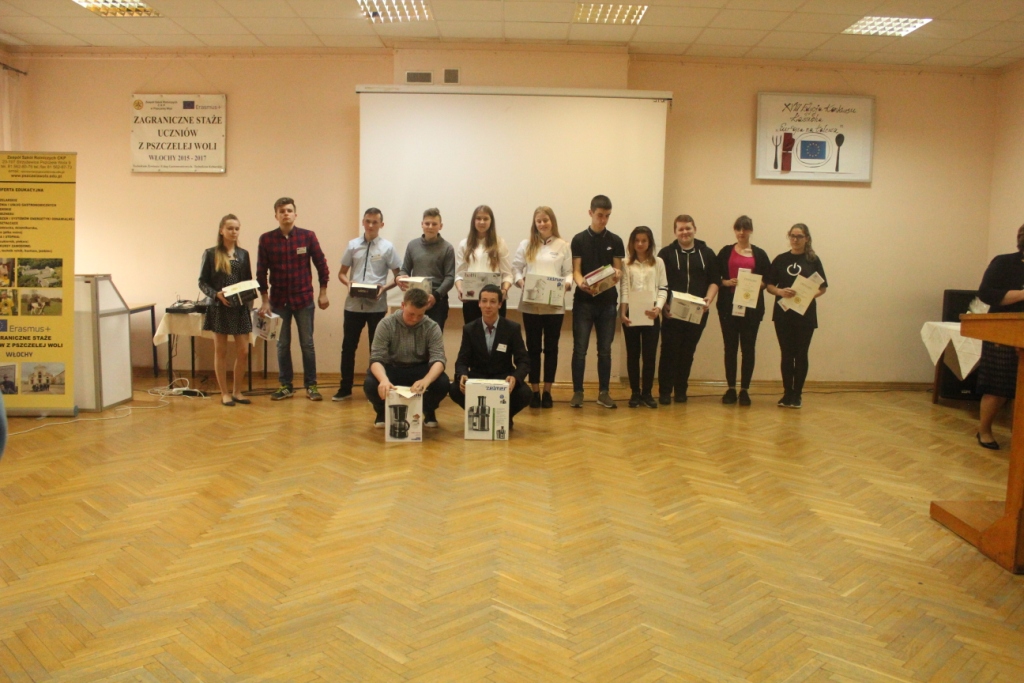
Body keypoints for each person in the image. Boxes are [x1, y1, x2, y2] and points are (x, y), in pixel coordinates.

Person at [256, 197, 330, 401]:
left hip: (304, 300)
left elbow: (321, 265)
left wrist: (323, 292)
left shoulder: (307, 236)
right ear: (276, 216)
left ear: (295, 214)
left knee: (307, 344)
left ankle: (311, 385)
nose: (286, 214)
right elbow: (261, 272)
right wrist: (264, 300)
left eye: (289, 210)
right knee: (282, 345)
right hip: (278, 302)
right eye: (282, 211)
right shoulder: (266, 239)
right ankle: (285, 385)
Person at [334, 207, 402, 401]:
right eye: (368, 221)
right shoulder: (353, 245)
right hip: (353, 306)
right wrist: (348, 284)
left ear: (381, 224)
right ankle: (345, 388)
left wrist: (384, 288)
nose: (371, 225)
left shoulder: (387, 247)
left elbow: (399, 276)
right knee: (348, 347)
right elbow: (341, 273)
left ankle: (375, 388)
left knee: (377, 349)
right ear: (363, 222)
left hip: (377, 307)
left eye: (375, 222)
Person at [512, 206, 573, 409]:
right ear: (534, 223)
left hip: (554, 306)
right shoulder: (526, 244)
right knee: (533, 349)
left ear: (552, 221)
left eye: (545, 220)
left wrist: (566, 284)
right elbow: (516, 269)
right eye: (538, 221)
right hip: (531, 306)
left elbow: (568, 272)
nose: (542, 224)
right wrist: (520, 282)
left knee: (551, 348)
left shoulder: (563, 245)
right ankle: (535, 391)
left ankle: (547, 391)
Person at [364, 287, 450, 428]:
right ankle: (382, 412)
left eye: (420, 315)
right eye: (411, 314)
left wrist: (426, 380)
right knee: (370, 383)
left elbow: (439, 359)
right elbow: (376, 358)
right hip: (392, 368)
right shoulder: (386, 324)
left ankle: (428, 411)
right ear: (403, 305)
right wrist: (384, 380)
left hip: (420, 369)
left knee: (442, 382)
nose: (415, 319)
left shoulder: (432, 327)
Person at [657, 215, 720, 404]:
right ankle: (665, 392)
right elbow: (659, 283)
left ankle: (681, 390)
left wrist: (709, 299)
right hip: (672, 312)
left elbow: (714, 280)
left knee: (687, 352)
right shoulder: (666, 254)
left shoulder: (707, 253)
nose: (685, 232)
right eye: (681, 229)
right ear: (675, 232)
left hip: (698, 313)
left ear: (694, 229)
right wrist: (663, 304)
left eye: (688, 228)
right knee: (669, 352)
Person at [450, 284, 532, 428]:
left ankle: (504, 416)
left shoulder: (512, 328)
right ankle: (477, 413)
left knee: (525, 393)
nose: (488, 306)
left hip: (502, 379)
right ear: (479, 303)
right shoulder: (469, 329)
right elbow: (462, 361)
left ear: (500, 304)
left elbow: (523, 361)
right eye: (484, 301)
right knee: (454, 389)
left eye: (493, 301)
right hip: (478, 377)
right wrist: (462, 375)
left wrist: (515, 377)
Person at [570, 195, 624, 408]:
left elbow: (618, 269)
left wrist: (617, 274)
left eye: (607, 216)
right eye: (600, 215)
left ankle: (604, 392)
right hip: (583, 302)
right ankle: (578, 392)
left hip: (608, 303)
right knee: (579, 349)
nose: (603, 220)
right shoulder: (579, 239)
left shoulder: (616, 241)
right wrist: (581, 283)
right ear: (590, 213)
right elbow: (576, 270)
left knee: (605, 350)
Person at [766, 223, 828, 409]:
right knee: (786, 354)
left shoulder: (813, 260)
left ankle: (797, 395)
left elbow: (822, 288)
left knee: (801, 354)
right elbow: (769, 285)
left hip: (805, 315)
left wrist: (807, 296)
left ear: (806, 238)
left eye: (799, 236)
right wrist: (780, 291)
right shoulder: (780, 259)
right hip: (783, 314)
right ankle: (787, 393)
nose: (795, 239)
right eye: (792, 235)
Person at [974, 223, 1024, 449]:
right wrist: (1022, 295)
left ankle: (1019, 435)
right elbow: (986, 293)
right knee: (999, 386)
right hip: (1003, 332)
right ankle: (984, 430)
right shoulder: (1004, 262)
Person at [716, 215, 772, 406]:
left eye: (745, 228)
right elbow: (715, 276)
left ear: (750, 230)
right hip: (728, 306)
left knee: (748, 348)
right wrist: (726, 282)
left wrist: (757, 285)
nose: (741, 232)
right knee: (730, 348)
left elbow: (768, 280)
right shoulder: (725, 252)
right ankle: (731, 388)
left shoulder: (760, 254)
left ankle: (745, 390)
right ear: (735, 230)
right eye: (738, 228)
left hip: (751, 308)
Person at [198, 213, 253, 406]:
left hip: (240, 308)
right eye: (230, 228)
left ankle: (237, 391)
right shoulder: (211, 253)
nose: (234, 231)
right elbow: (202, 282)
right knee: (220, 351)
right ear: (221, 230)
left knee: (243, 351)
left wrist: (249, 298)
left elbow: (247, 280)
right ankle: (225, 393)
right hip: (219, 307)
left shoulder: (243, 254)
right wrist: (216, 294)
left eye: (237, 228)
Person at [619, 226, 668, 409]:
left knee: (649, 355)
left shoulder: (658, 262)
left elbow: (663, 288)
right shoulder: (625, 263)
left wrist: (658, 308)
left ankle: (647, 393)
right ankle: (635, 392)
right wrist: (623, 312)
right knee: (633, 355)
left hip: (651, 313)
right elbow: (624, 288)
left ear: (649, 242)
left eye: (644, 240)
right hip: (631, 313)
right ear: (632, 242)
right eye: (637, 240)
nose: (640, 244)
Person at [398, 208, 456, 331]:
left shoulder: (447, 248)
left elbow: (450, 278)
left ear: (440, 226)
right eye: (427, 223)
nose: (430, 227)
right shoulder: (412, 245)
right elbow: (405, 270)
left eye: (434, 224)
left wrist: (435, 296)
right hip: (414, 299)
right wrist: (399, 277)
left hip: (437, 301)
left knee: (434, 338)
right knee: (412, 337)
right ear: (422, 224)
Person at [455, 205, 513, 323]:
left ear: (491, 221)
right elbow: (459, 275)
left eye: (485, 219)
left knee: (496, 333)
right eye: (478, 218)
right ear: (473, 221)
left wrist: (504, 290)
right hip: (471, 300)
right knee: (472, 332)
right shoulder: (464, 244)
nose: (482, 222)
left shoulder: (500, 243)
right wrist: (460, 289)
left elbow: (507, 274)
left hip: (494, 300)